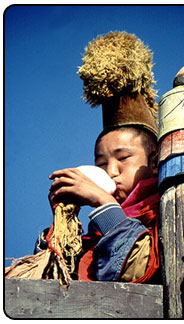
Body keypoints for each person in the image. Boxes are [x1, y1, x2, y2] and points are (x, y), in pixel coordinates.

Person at [35, 31, 160, 283]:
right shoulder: (94, 234)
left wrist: (104, 202)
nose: (111, 171)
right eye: (101, 164)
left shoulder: (165, 215)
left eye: (123, 158)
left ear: (155, 163)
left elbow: (133, 271)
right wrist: (64, 221)